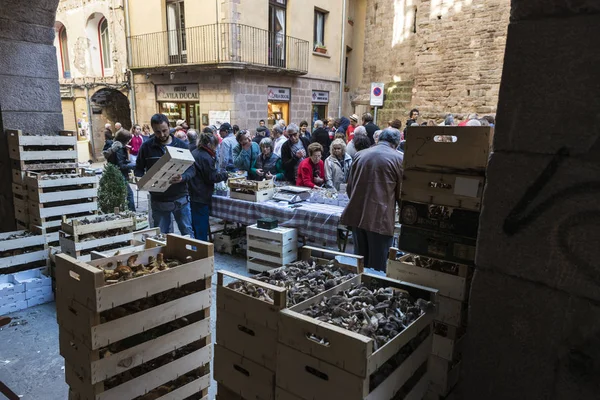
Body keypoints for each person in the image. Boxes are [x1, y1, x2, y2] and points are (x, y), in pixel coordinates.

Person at [341, 128, 403, 272]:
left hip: (357, 215)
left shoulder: (360, 155)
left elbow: (349, 188)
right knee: (377, 267)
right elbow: (401, 194)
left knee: (360, 262)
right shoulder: (398, 159)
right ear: (396, 143)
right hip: (379, 219)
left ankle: (357, 289)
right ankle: (372, 292)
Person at [135, 113, 194, 236]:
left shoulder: (181, 145)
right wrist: (141, 180)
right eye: (157, 132)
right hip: (158, 200)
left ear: (169, 126)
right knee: (161, 236)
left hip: (180, 198)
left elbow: (192, 170)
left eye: (164, 130)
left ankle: (192, 255)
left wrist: (182, 178)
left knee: (187, 233)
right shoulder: (146, 147)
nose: (162, 135)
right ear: (152, 130)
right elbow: (139, 169)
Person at [189, 132, 228, 241]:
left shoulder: (195, 152)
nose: (216, 148)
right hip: (200, 194)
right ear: (209, 144)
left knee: (196, 224)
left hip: (194, 192)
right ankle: (201, 249)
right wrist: (224, 175)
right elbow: (212, 177)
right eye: (215, 145)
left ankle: (197, 245)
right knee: (201, 225)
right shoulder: (206, 156)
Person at [104, 129, 136, 211]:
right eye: (128, 140)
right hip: (119, 174)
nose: (129, 142)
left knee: (121, 194)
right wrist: (132, 165)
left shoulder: (114, 145)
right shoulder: (119, 148)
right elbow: (121, 165)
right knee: (129, 194)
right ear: (124, 140)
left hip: (114, 173)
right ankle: (132, 212)